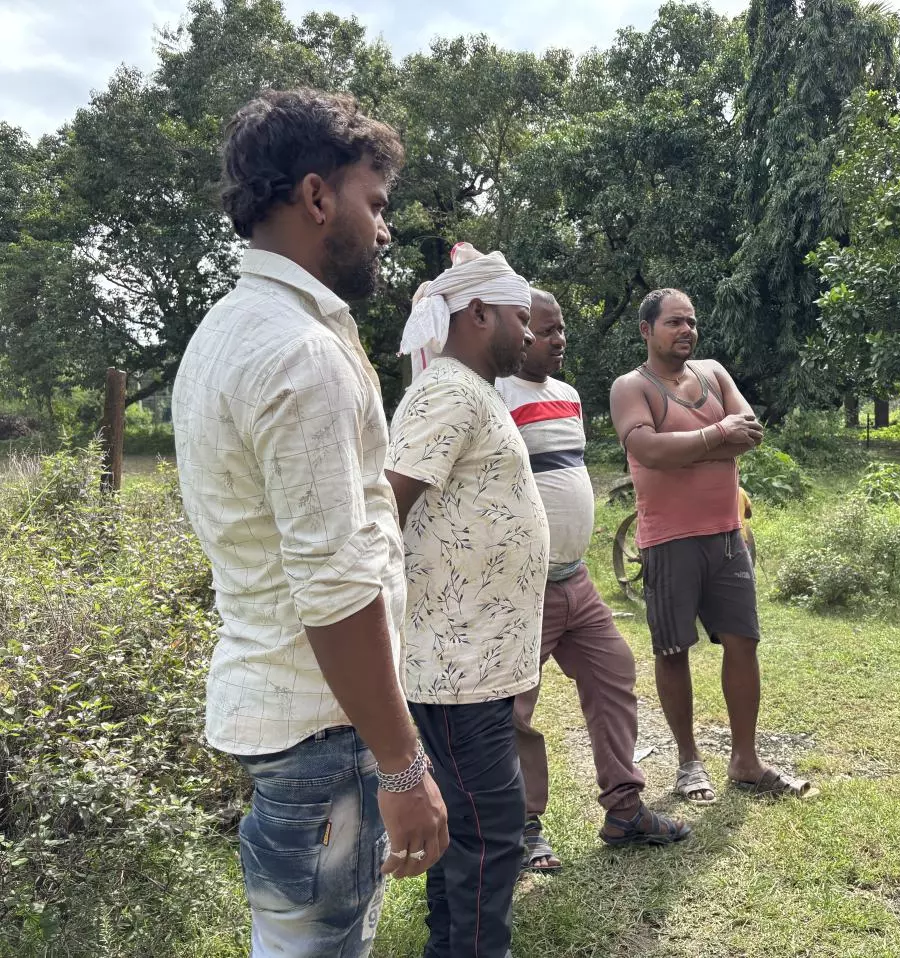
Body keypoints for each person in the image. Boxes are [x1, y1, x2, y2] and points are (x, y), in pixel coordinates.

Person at [172, 89, 447, 958]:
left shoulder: (229, 330)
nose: (385, 229)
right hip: (326, 736)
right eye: (376, 203)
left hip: (299, 725)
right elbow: (334, 588)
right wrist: (404, 768)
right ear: (318, 197)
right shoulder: (300, 352)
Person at [386, 245, 548, 958]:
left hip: (473, 665)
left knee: (469, 837)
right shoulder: (449, 390)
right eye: (520, 317)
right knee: (489, 838)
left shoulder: (470, 389)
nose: (530, 331)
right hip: (455, 670)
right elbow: (386, 509)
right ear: (479, 313)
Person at [496, 289, 691, 873]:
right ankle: (523, 829)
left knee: (614, 673)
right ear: (516, 330)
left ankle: (625, 810)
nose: (558, 341)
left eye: (562, 331)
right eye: (545, 331)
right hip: (520, 587)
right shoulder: (491, 394)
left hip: (575, 579)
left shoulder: (569, 396)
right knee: (512, 710)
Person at [609, 288, 812, 802]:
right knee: (673, 649)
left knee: (743, 644)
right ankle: (688, 762)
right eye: (674, 322)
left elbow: (751, 434)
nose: (686, 331)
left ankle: (745, 760)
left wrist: (695, 446)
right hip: (668, 541)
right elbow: (647, 449)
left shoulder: (714, 372)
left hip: (727, 537)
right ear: (646, 330)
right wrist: (717, 435)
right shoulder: (631, 387)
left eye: (692, 322)